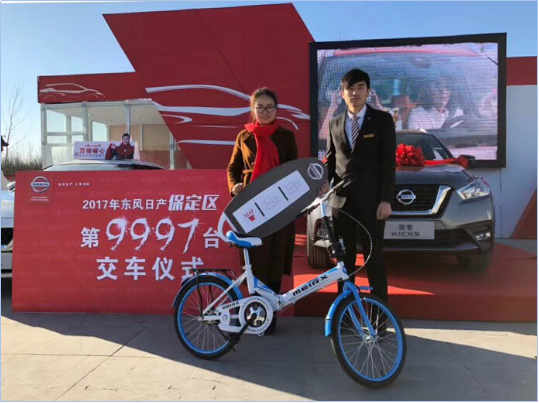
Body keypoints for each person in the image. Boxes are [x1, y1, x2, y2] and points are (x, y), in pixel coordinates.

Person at [227, 87, 298, 335]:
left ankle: (270, 319)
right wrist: (234, 186)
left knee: (275, 258)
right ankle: (255, 317)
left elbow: (294, 173)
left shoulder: (286, 136)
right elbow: (233, 168)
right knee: (254, 259)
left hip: (279, 205)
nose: (265, 112)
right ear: (253, 109)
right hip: (250, 207)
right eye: (260, 107)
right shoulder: (243, 137)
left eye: (270, 107)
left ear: (276, 109)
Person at [322, 68, 396, 305]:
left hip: (372, 203)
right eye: (350, 88)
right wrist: (322, 182)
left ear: (368, 91)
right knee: (344, 260)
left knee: (374, 258)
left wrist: (386, 199)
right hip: (341, 202)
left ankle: (379, 315)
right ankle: (344, 313)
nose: (355, 93)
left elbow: (388, 163)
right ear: (342, 94)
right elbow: (331, 160)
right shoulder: (335, 123)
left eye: (360, 88)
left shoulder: (383, 120)